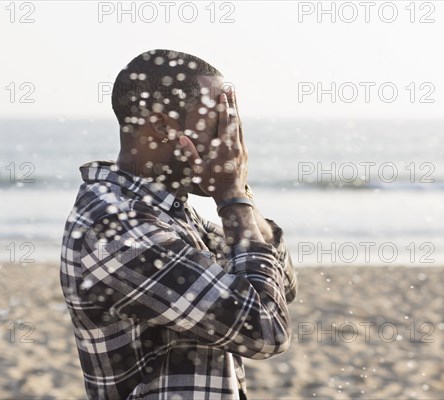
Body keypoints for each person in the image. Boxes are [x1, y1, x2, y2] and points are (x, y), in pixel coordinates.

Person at [60, 49, 298, 400]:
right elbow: (266, 328)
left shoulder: (167, 213)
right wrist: (231, 194)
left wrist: (238, 193)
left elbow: (281, 284)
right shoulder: (118, 230)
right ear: (161, 127)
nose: (230, 141)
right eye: (218, 123)